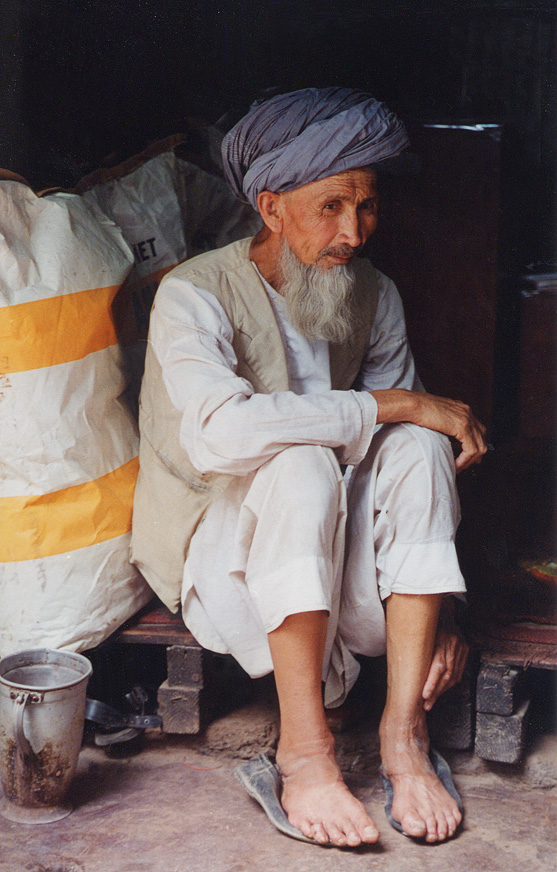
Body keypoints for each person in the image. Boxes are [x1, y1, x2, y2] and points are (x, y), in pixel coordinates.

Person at [131, 87, 487, 848]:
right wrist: (388, 403)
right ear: (270, 207)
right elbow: (223, 436)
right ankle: (306, 752)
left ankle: (402, 737)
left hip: (340, 567)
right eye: (330, 207)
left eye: (365, 207)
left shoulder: (372, 292)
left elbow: (411, 459)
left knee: (421, 445)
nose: (352, 232)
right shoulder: (193, 294)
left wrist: (445, 612)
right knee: (299, 462)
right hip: (230, 564)